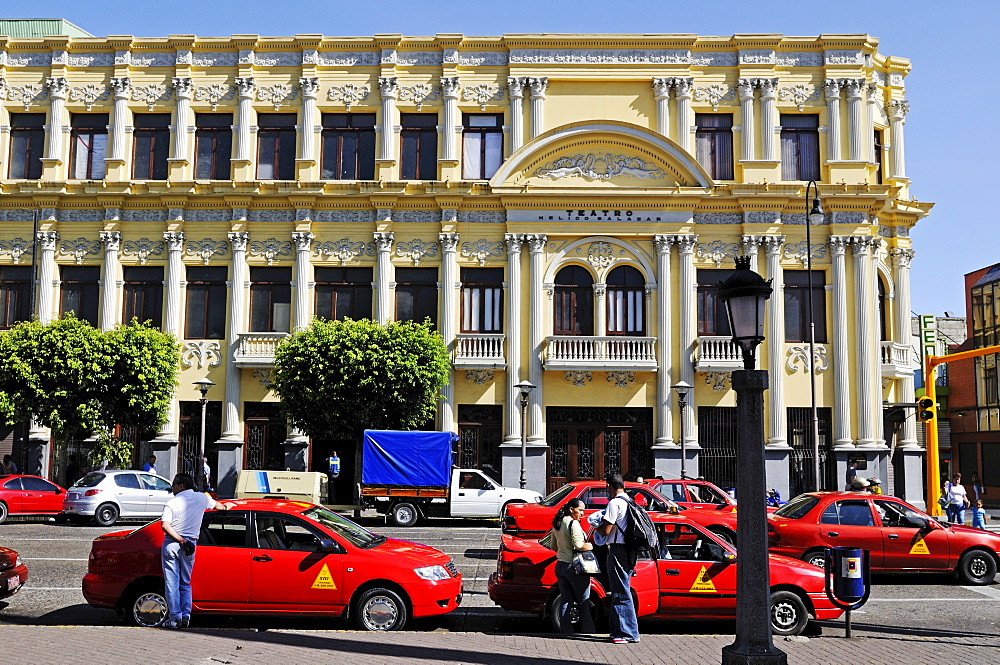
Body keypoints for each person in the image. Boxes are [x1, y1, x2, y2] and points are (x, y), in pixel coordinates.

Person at [160, 472, 227, 629]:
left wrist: (181, 540)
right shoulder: (202, 498)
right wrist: (226, 507)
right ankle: (185, 616)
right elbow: (218, 506)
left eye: (174, 484)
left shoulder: (172, 503)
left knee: (172, 583)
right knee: (185, 582)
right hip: (190, 545)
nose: (172, 487)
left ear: (181, 486)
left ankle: (175, 618)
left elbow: (165, 525)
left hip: (173, 543)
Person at [596, 472, 640, 645]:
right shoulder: (629, 501)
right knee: (621, 588)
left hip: (618, 551)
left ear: (609, 486)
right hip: (629, 551)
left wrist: (596, 526)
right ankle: (617, 630)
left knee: (620, 591)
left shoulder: (615, 503)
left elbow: (606, 530)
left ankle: (628, 633)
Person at [552, 498, 596, 636]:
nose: (582, 513)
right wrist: (591, 545)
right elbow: (579, 545)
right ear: (571, 509)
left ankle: (565, 631)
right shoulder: (573, 523)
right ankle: (588, 631)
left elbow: (553, 546)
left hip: (560, 565)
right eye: (580, 510)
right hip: (574, 567)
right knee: (584, 601)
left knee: (566, 600)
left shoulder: (557, 523)